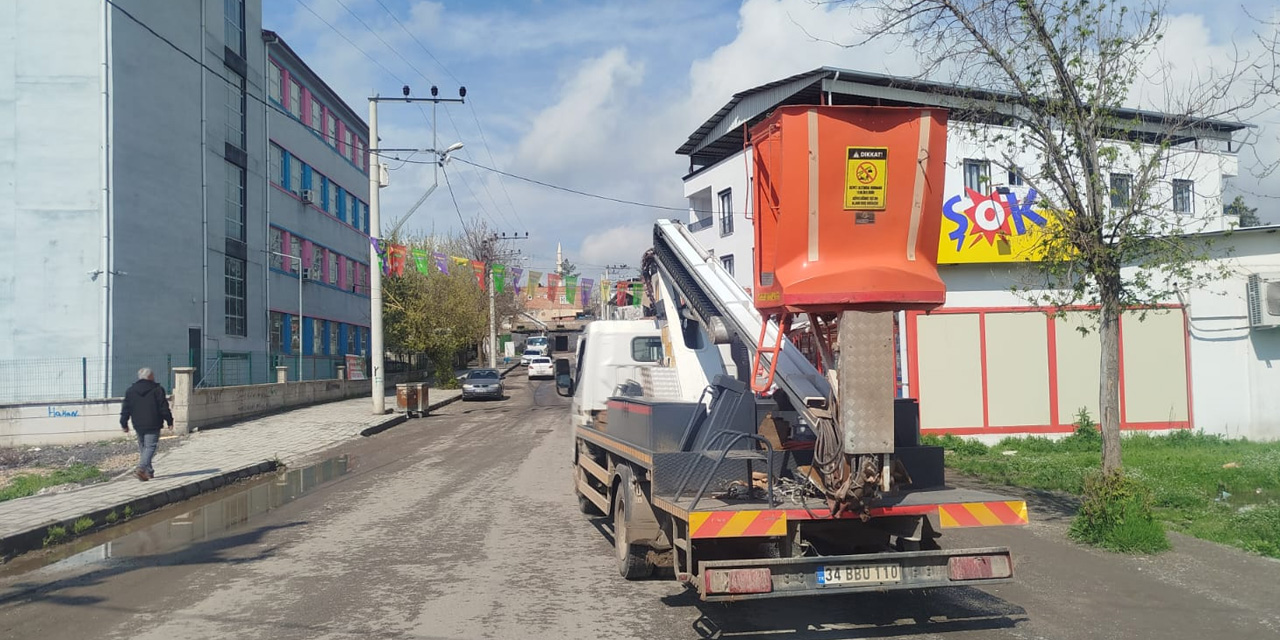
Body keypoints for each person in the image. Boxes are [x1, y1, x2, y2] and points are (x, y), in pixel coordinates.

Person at [120, 367, 173, 481]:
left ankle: (148, 472)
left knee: (144, 447)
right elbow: (163, 407)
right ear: (150, 377)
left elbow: (126, 408)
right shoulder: (157, 389)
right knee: (150, 447)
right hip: (153, 422)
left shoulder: (131, 391)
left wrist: (124, 423)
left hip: (138, 423)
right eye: (153, 375)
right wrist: (169, 421)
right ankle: (141, 468)